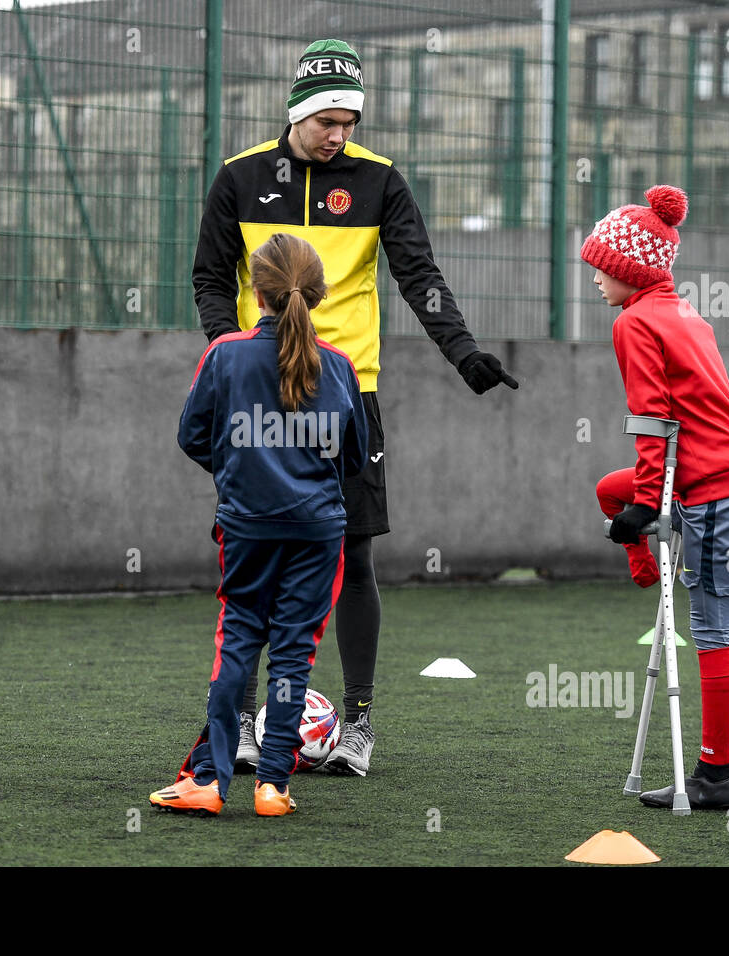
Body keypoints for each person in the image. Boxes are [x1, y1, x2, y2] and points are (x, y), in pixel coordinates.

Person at [191, 38, 518, 777]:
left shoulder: (379, 181)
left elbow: (418, 275)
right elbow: (210, 277)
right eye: (327, 121)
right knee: (252, 556)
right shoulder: (239, 177)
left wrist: (463, 351)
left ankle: (359, 726)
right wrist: (230, 351)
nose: (340, 134)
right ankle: (240, 726)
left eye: (349, 121)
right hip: (259, 392)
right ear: (298, 111)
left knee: (355, 554)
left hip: (350, 395)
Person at [152, 233, 367, 816]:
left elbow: (192, 435)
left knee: (239, 643)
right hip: (319, 531)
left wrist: (242, 471)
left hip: (246, 526)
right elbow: (355, 457)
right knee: (295, 653)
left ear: (255, 289)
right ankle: (273, 787)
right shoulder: (342, 368)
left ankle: (210, 782)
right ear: (318, 295)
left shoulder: (224, 354)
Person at [583, 185, 729, 810]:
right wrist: (634, 503)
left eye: (602, 269)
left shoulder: (633, 322)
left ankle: (717, 777)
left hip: (718, 484)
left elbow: (653, 418)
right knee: (612, 492)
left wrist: (645, 502)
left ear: (629, 271)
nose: (595, 281)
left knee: (711, 628)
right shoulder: (684, 313)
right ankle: (642, 566)